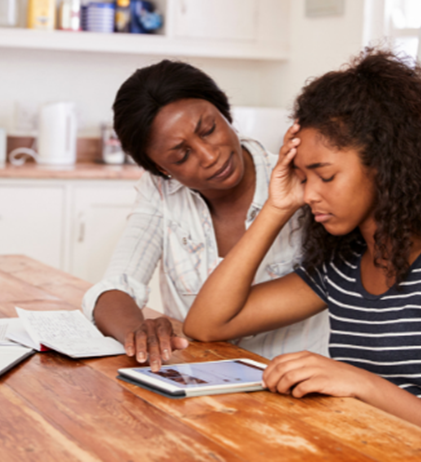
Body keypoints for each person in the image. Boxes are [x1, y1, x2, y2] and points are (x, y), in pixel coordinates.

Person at [183, 49, 421, 426]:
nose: (308, 195)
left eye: (325, 176)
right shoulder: (342, 269)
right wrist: (277, 207)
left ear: (385, 165)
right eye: (302, 178)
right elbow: (206, 324)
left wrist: (361, 383)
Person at [82, 60, 329, 371]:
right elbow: (116, 286)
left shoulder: (299, 182)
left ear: (225, 114)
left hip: (293, 390)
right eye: (182, 154)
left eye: (209, 129)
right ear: (162, 169)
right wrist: (139, 332)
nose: (210, 156)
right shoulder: (161, 192)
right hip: (199, 385)